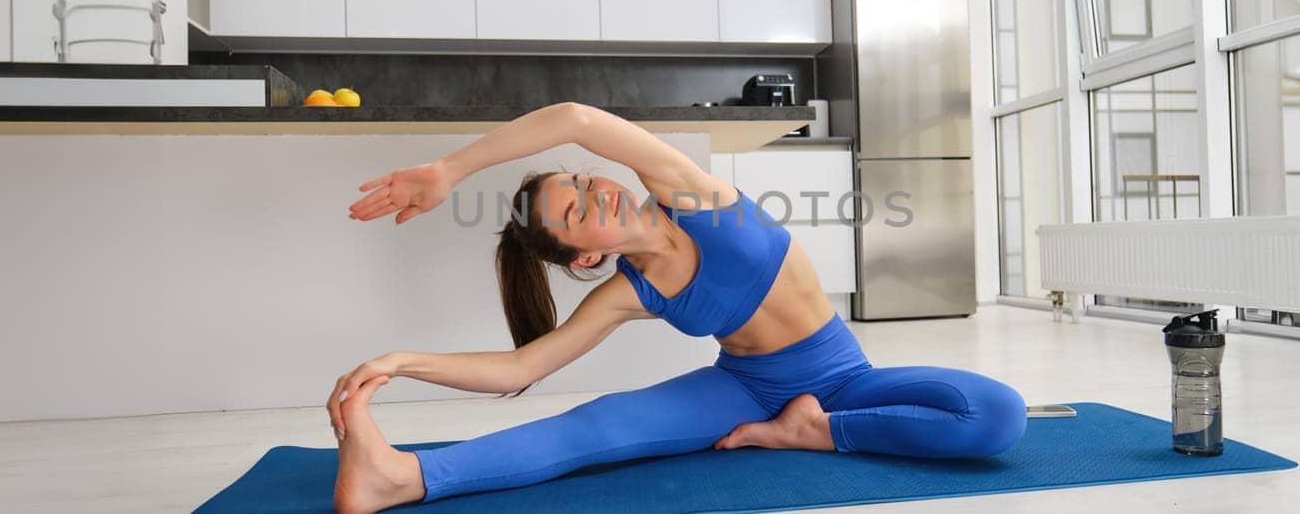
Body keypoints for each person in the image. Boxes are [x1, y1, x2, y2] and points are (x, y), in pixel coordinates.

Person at [327, 102, 1026, 513]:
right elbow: (520, 367)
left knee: (997, 415)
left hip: (846, 375)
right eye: (574, 210)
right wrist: (401, 361)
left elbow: (572, 117)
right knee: (595, 426)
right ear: (583, 256)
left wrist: (450, 170)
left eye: (579, 180)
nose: (592, 190)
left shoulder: (686, 191)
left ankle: (806, 433)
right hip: (746, 388)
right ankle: (402, 476)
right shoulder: (629, 291)